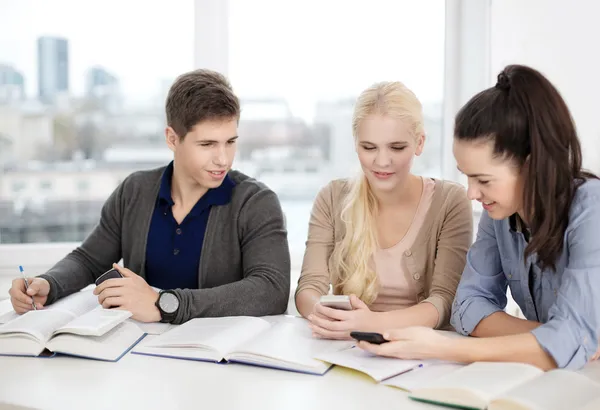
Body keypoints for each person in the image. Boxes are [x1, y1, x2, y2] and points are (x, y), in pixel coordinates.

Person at [358, 64, 600, 370]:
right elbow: (467, 307)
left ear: (531, 165)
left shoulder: (591, 209)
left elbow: (573, 340)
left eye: (483, 180)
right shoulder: (500, 212)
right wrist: (562, 338)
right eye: (467, 177)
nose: (471, 193)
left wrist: (445, 348)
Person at [8, 69, 291, 324]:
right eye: (207, 144)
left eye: (230, 142)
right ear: (172, 138)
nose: (223, 159)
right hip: (137, 354)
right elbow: (88, 259)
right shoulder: (135, 191)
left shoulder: (256, 202)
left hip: (216, 360)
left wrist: (165, 305)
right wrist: (48, 283)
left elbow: (271, 290)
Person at [295, 80, 473, 339]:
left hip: (424, 352)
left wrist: (372, 324)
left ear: (420, 143)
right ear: (356, 144)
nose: (382, 161)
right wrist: (331, 318)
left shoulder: (450, 201)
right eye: (369, 148)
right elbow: (309, 288)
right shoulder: (331, 197)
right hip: (348, 347)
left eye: (397, 147)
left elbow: (444, 302)